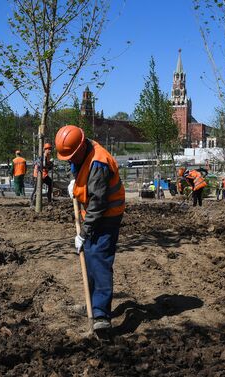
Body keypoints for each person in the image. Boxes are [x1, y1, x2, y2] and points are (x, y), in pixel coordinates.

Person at [55, 125, 125, 332]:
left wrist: (83, 234)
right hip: (95, 215)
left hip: (107, 215)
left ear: (80, 148)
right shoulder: (84, 151)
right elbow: (83, 176)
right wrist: (75, 184)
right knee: (91, 258)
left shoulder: (99, 162)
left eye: (71, 157)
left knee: (100, 260)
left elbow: (98, 203)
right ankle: (94, 304)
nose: (69, 161)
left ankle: (101, 315)